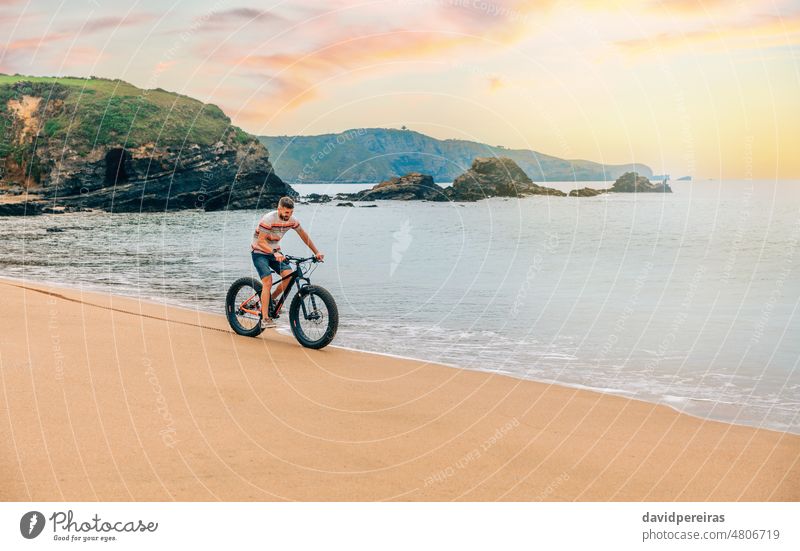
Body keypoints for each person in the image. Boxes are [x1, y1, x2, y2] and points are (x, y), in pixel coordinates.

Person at [251, 196, 324, 329]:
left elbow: (303, 235)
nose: (288, 215)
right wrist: (274, 253)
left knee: (289, 277)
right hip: (259, 252)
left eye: (290, 213)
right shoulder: (268, 219)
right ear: (279, 209)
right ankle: (265, 318)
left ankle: (270, 300)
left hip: (275, 252)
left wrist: (316, 252)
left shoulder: (292, 220)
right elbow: (261, 241)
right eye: (285, 212)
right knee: (268, 281)